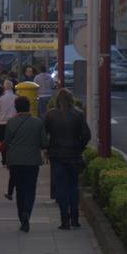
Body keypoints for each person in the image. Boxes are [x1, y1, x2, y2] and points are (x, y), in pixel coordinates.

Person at [44, 88, 91, 229]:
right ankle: (75, 218)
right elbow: (87, 135)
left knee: (61, 187)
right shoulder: (78, 114)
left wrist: (48, 148)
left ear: (57, 100)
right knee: (73, 185)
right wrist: (79, 147)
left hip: (57, 155)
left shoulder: (50, 115)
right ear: (71, 100)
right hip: (74, 154)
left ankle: (64, 219)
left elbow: (44, 135)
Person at [5, 96, 49, 233]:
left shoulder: (11, 123)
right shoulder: (37, 122)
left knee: (20, 190)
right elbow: (44, 143)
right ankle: (27, 212)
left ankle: (21, 215)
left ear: (16, 107)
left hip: (16, 161)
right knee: (30, 189)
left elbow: (7, 142)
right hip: (32, 161)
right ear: (29, 107)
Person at [0, 80, 18, 169]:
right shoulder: (16, 98)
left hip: (2, 123)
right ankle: (12, 159)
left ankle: (4, 160)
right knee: (13, 141)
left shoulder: (1, 99)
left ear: (4, 87)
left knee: (3, 141)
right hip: (14, 122)